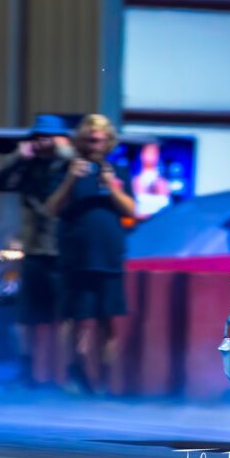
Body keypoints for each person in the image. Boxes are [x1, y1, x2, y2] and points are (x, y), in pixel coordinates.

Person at [46, 114, 136, 394]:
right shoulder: (65, 170)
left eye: (99, 140)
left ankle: (105, 380)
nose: (94, 144)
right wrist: (70, 180)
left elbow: (130, 210)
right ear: (80, 141)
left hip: (109, 256)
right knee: (75, 319)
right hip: (76, 256)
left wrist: (111, 186)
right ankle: (76, 373)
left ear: (108, 142)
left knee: (107, 320)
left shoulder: (118, 171)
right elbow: (51, 208)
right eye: (89, 139)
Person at [0, 114, 73, 387]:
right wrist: (18, 157)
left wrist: (65, 151)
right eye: (38, 137)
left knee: (63, 316)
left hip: (61, 250)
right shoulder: (29, 168)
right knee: (28, 316)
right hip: (35, 250)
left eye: (48, 137)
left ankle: (62, 370)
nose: (42, 142)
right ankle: (28, 369)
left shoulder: (68, 167)